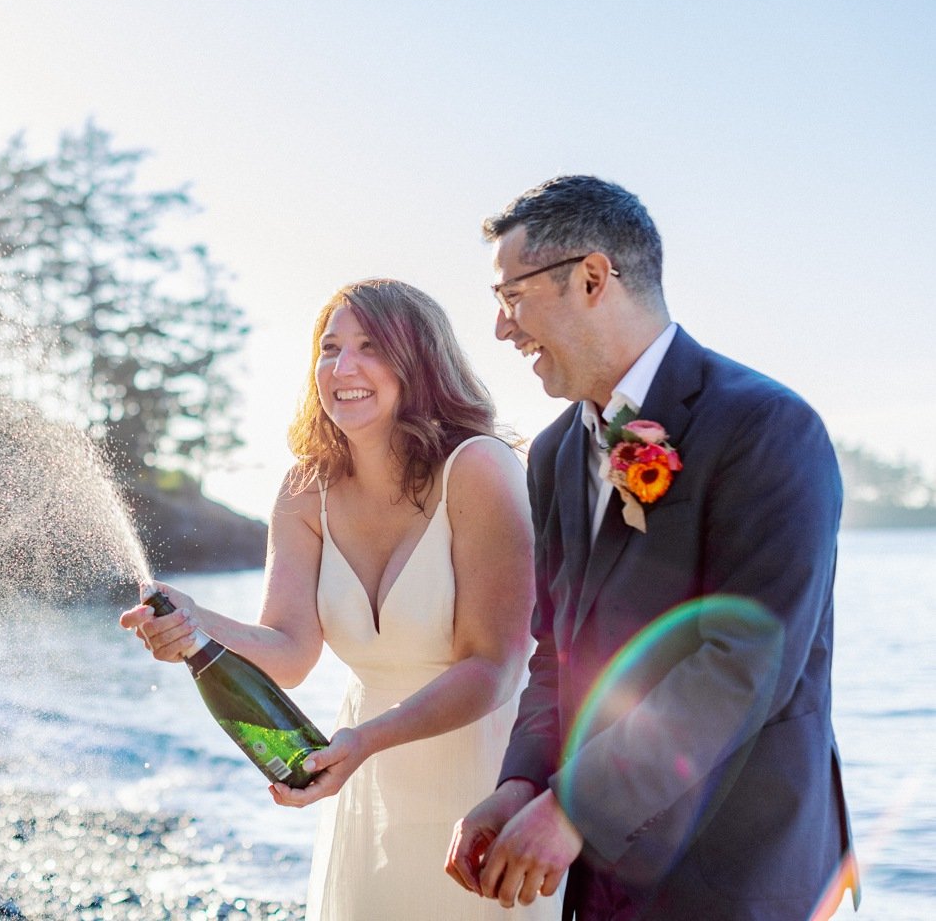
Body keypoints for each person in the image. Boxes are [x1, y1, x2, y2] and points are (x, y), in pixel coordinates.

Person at [446, 175, 859, 919]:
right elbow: (555, 652)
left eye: (511, 297)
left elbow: (742, 667)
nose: (503, 329)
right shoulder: (553, 454)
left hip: (740, 869)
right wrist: (523, 783)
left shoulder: (769, 428)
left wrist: (575, 808)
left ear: (593, 278)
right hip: (602, 877)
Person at [121, 279, 559, 920]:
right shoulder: (304, 489)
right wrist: (194, 623)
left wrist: (363, 743)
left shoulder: (480, 467)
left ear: (419, 362)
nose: (343, 368)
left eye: (370, 347)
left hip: (484, 773)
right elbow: (289, 651)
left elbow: (494, 666)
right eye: (330, 348)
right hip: (369, 786)